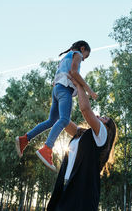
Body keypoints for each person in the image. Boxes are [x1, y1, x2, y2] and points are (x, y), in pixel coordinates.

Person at [15, 40, 97, 171]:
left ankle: (25, 139)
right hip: (65, 90)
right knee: (64, 120)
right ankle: (47, 149)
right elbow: (74, 73)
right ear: (82, 49)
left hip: (57, 89)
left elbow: (67, 73)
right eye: (85, 56)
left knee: (51, 121)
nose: (84, 59)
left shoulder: (66, 57)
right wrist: (89, 89)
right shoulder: (77, 54)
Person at [46, 78, 117, 211]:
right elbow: (63, 120)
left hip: (81, 195)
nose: (99, 116)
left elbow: (85, 109)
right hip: (65, 188)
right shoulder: (82, 134)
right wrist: (60, 91)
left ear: (108, 128)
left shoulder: (102, 135)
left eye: (104, 118)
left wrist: (79, 83)